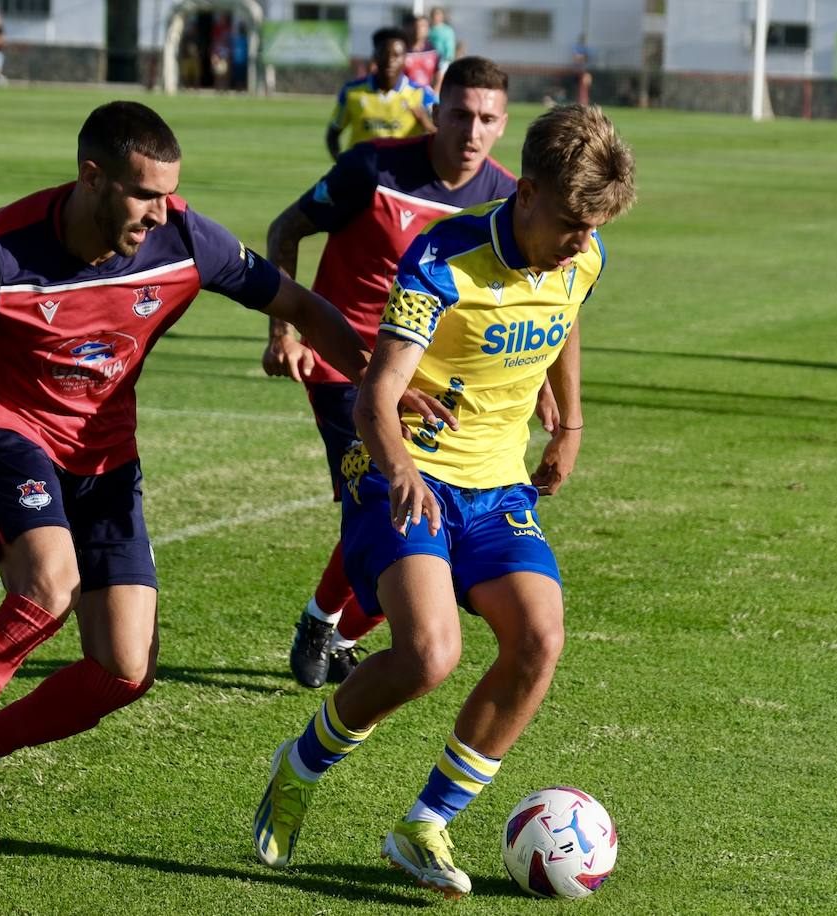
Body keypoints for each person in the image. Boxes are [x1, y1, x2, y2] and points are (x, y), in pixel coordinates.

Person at [0, 100, 372, 875]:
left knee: (122, 670)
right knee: (47, 589)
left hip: (107, 459)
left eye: (169, 194)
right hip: (5, 433)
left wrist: (377, 391)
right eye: (145, 194)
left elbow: (303, 305)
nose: (161, 212)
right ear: (92, 177)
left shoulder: (185, 238)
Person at [252, 103, 636, 898]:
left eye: (591, 227)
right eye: (569, 221)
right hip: (403, 468)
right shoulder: (444, 257)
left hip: (497, 486)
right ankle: (299, 766)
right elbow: (375, 396)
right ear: (525, 191)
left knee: (540, 639)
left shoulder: (583, 254)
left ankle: (423, 823)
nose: (579, 242)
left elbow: (563, 324)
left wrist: (568, 423)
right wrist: (400, 472)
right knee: (429, 655)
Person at [267, 56, 532, 690]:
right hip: (347, 365)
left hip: (436, 380)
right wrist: (286, 331)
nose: (471, 130)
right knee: (391, 497)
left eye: (486, 119)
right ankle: (325, 626)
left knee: (415, 508)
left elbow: (532, 290)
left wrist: (550, 391)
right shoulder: (373, 168)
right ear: (435, 113)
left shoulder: (507, 197)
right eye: (461, 114)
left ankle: (331, 627)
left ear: (502, 125)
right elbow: (286, 228)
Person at [326, 27, 437, 161]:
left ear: (405, 59)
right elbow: (333, 134)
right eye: (384, 54)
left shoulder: (422, 94)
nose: (390, 60)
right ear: (375, 57)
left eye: (396, 55)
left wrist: (427, 123)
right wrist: (343, 165)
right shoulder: (352, 92)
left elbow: (446, 136)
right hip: (362, 175)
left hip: (401, 177)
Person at [403, 14, 438, 89]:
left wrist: (434, 92)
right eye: (415, 26)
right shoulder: (401, 50)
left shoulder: (432, 50)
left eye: (422, 26)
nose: (418, 29)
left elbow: (438, 73)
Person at [427, 7, 456, 94]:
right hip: (430, 59)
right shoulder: (428, 29)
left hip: (443, 60)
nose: (436, 17)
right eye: (434, 14)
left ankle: (435, 98)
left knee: (439, 80)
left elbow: (450, 45)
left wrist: (448, 57)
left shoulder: (447, 30)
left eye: (438, 14)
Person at [230, 22, 250, 92]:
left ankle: (242, 88)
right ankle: (237, 88)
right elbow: (232, 49)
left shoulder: (246, 39)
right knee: (237, 75)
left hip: (243, 60)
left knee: (242, 75)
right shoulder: (236, 39)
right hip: (236, 60)